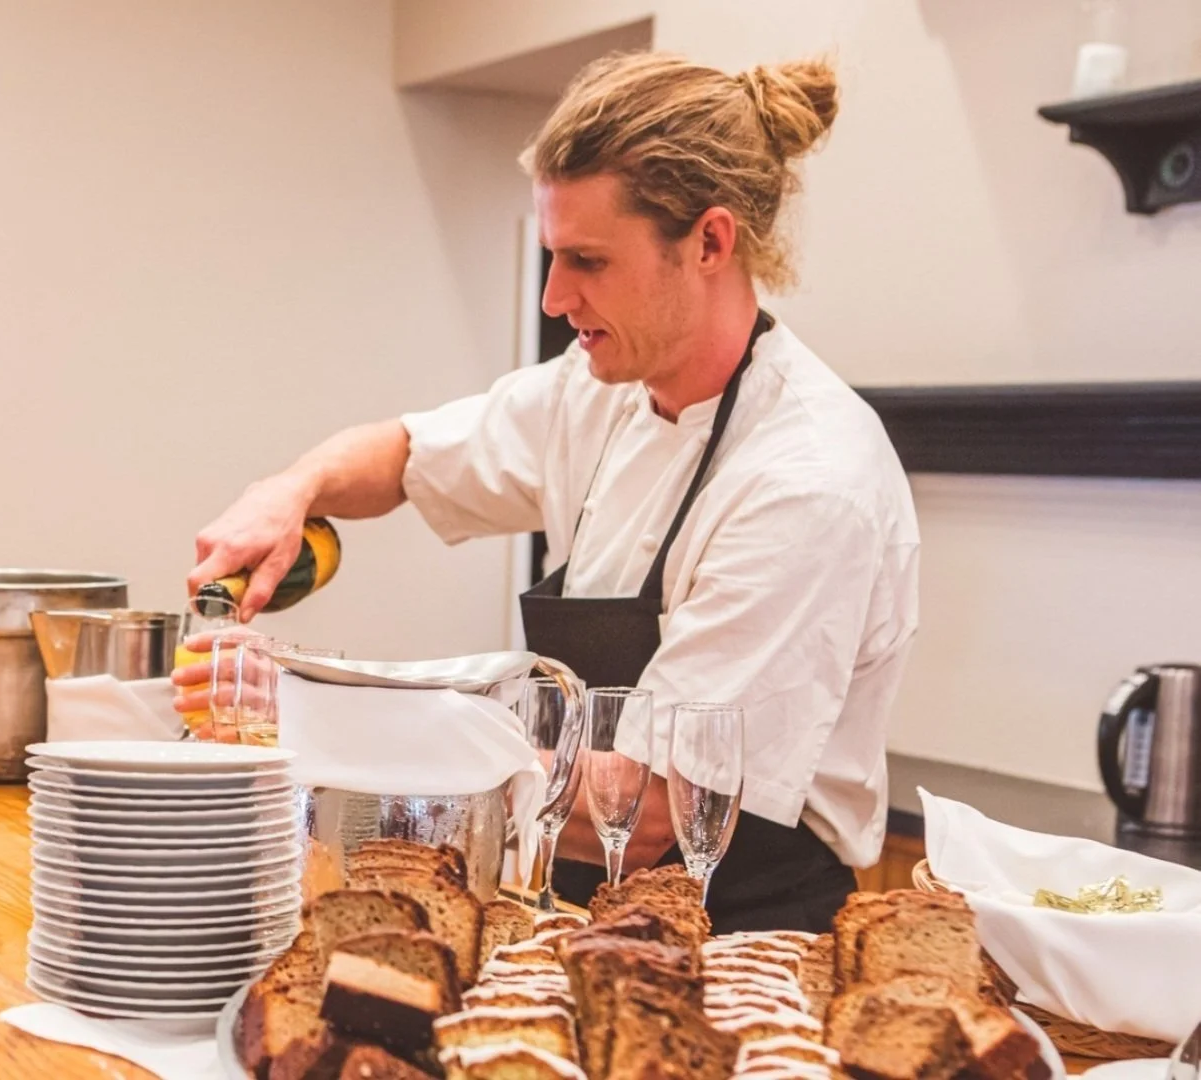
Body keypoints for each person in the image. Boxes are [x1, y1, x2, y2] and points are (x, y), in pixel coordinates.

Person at [177, 51, 919, 933]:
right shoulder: (597, 389)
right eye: (552, 258)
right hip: (573, 893)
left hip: (739, 930)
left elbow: (649, 810)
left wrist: (318, 722)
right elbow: (410, 455)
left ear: (710, 243)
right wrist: (292, 489)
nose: (556, 298)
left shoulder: (807, 481)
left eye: (587, 261)